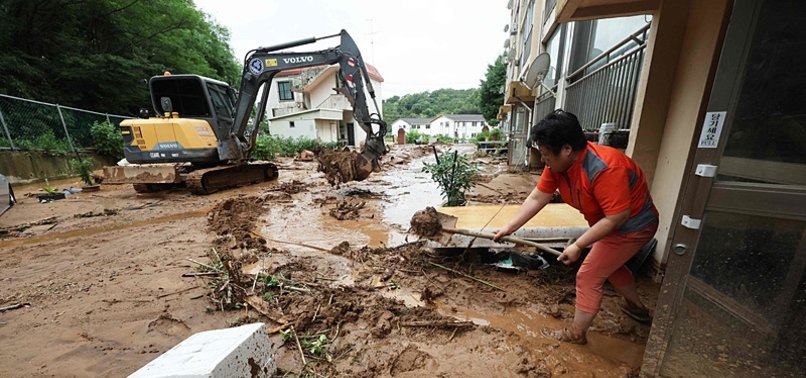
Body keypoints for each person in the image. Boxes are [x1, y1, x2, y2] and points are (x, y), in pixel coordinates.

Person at [493, 110, 658, 344]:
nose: (543, 161)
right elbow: (538, 198)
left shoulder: (605, 168)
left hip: (632, 226)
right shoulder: (558, 167)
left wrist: (579, 244)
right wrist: (509, 228)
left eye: (547, 154)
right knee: (609, 265)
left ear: (567, 149)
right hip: (608, 223)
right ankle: (637, 309)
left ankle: (575, 335)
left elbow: (616, 217)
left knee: (588, 275)